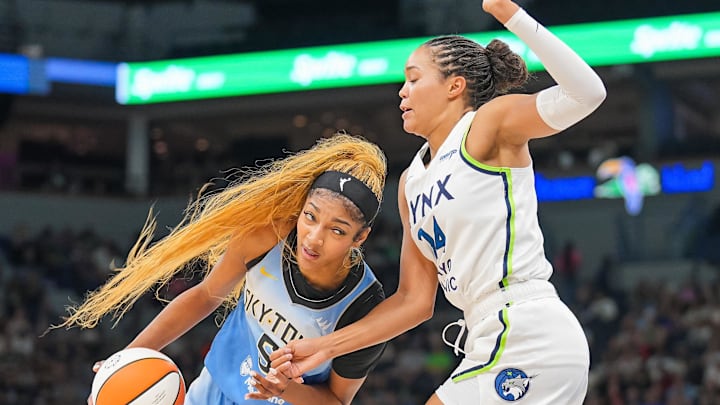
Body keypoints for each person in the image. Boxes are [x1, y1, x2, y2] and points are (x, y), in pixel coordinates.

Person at [270, 0, 607, 404]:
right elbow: (413, 302)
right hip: (485, 334)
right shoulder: (410, 182)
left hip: (525, 327)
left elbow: (587, 93)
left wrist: (509, 14)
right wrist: (327, 347)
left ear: (454, 85)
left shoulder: (486, 126)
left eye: (414, 79)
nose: (402, 90)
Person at [58, 133, 389, 405]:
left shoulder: (365, 306)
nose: (314, 239)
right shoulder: (265, 236)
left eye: (337, 231)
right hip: (211, 391)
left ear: (360, 238)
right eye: (310, 217)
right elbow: (205, 295)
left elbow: (337, 400)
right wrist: (126, 358)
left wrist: (284, 389)